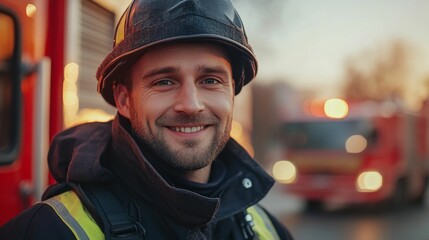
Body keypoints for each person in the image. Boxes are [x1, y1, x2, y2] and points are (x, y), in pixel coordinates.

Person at [0, 0, 293, 239]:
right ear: (124, 101)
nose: (190, 104)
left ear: (231, 94)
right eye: (164, 82)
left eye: (211, 80)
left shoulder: (266, 230)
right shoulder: (45, 231)